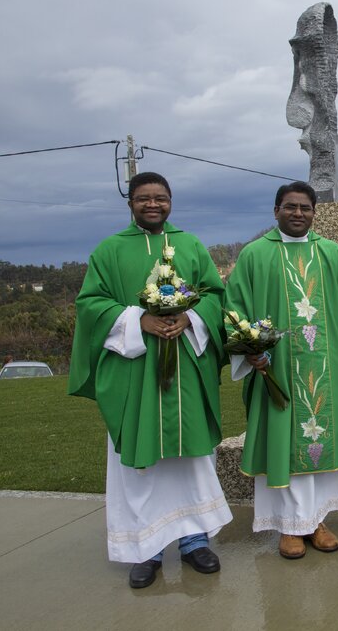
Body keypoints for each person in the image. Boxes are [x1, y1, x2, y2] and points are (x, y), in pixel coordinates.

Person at [68, 172, 231, 589]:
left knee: (192, 462)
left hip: (186, 373)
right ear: (131, 204)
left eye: (160, 198)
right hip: (136, 373)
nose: (153, 204)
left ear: (171, 201)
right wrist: (139, 319)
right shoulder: (109, 251)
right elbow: (90, 305)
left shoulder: (191, 245)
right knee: (143, 469)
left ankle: (195, 543)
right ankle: (146, 549)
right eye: (144, 198)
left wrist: (187, 317)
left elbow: (214, 295)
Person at [224, 181, 338, 559]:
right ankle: (290, 526)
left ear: (314, 213)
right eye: (290, 207)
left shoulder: (331, 253)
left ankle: (318, 520)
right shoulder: (254, 256)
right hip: (276, 369)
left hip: (329, 367)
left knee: (324, 443)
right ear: (275, 210)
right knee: (285, 442)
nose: (298, 213)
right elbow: (235, 308)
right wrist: (250, 351)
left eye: (305, 208)